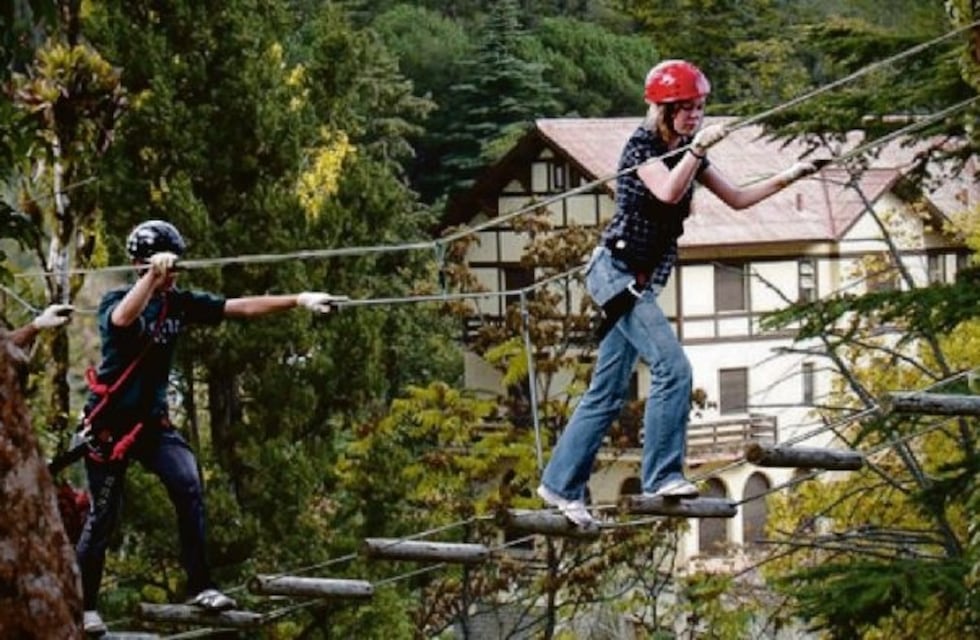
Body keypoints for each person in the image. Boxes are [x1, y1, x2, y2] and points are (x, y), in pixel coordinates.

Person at [536, 59, 817, 527]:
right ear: (662, 111)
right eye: (684, 109)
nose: (694, 117)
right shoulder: (641, 149)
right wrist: (696, 151)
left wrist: (793, 174)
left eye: (700, 108)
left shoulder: (692, 150)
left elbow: (738, 199)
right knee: (674, 368)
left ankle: (560, 485)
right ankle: (663, 475)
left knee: (606, 392)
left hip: (642, 282)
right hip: (617, 273)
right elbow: (666, 192)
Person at [77, 219, 347, 635]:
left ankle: (201, 586)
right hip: (109, 430)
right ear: (140, 264)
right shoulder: (117, 300)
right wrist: (151, 277)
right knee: (103, 517)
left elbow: (238, 307)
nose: (173, 273)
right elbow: (123, 319)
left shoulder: (179, 304)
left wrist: (299, 300)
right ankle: (85, 604)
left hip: (151, 426)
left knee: (188, 484)